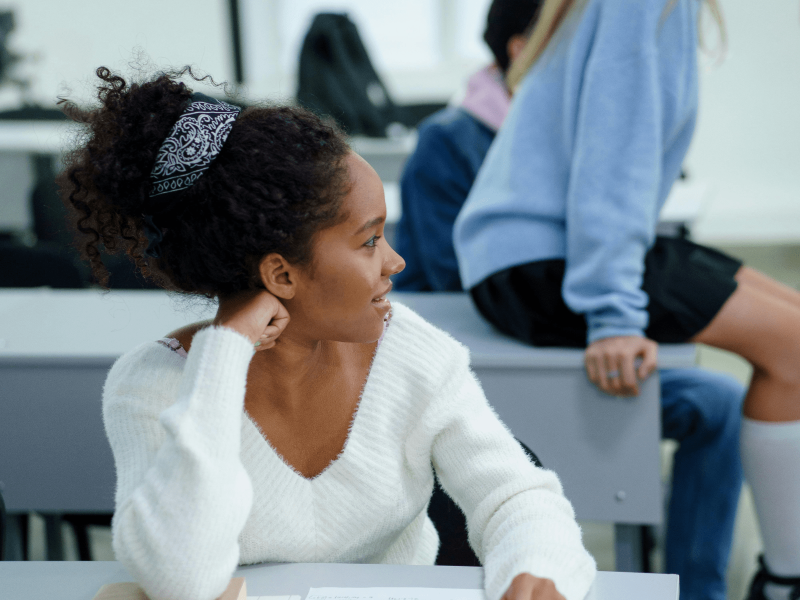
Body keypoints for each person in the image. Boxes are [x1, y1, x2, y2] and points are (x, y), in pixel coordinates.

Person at [56, 67, 596, 600]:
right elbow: (180, 581)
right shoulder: (152, 386)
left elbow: (514, 496)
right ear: (282, 275)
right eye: (369, 241)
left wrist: (535, 571)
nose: (396, 261)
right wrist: (224, 353)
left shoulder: (411, 351)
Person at [395, 1, 744, 597]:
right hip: (515, 364)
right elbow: (440, 284)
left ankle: (695, 586)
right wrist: (611, 316)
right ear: (521, 48)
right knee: (720, 392)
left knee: (723, 399)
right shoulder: (450, 142)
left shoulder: (563, 126)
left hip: (571, 340)